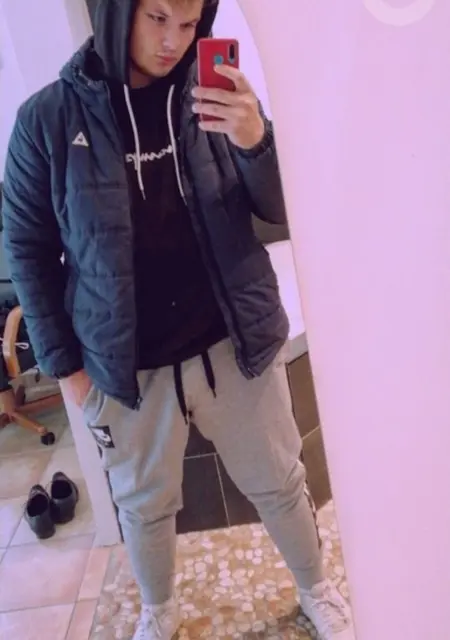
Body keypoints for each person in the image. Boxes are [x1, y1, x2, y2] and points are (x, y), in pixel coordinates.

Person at [1, 0, 355, 638]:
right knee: (144, 508)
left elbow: (282, 206)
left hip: (234, 342)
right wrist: (67, 370)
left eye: (190, 23)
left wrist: (256, 140)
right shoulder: (46, 119)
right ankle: (158, 611)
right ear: (118, 12)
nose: (174, 41)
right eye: (158, 17)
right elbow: (27, 249)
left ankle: (316, 588)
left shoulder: (215, 95)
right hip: (125, 368)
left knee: (280, 481)